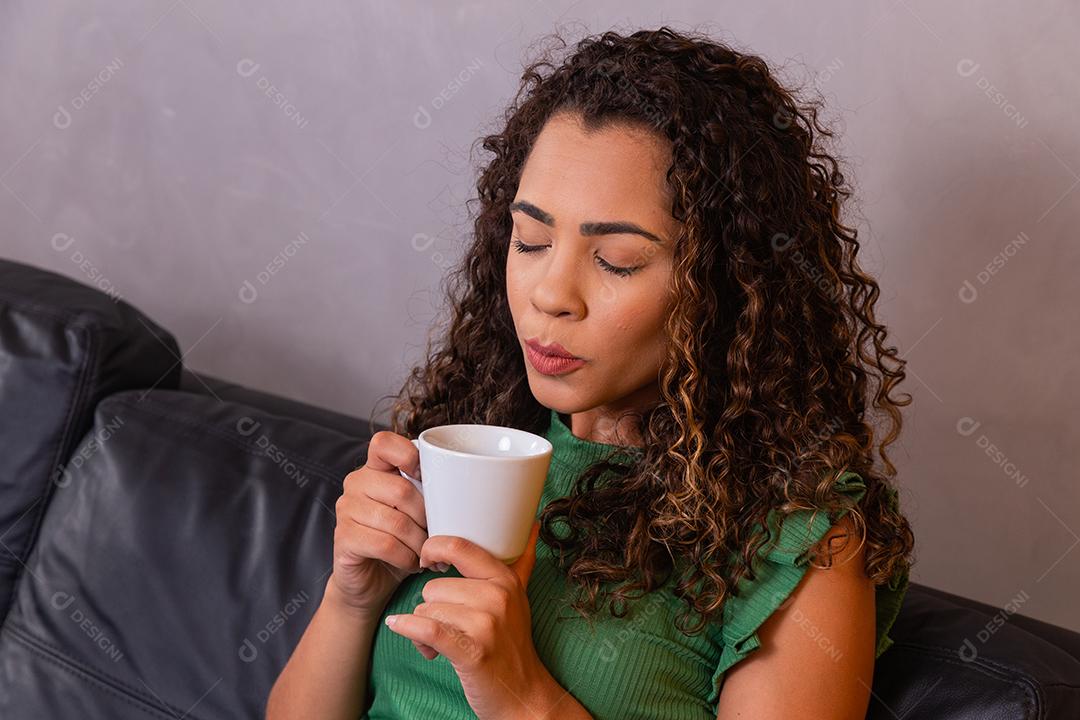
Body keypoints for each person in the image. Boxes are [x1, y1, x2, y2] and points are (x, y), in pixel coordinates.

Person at [266, 24, 915, 720]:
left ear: (728, 284)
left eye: (617, 261)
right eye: (531, 240)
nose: (550, 294)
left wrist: (522, 696)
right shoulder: (478, 441)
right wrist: (351, 597)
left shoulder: (799, 535)